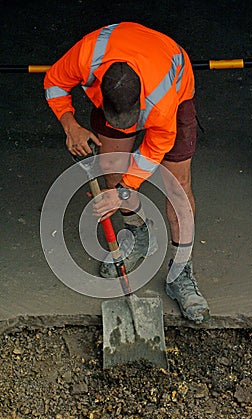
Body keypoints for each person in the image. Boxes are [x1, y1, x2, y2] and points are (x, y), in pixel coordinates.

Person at [44, 22, 210, 324]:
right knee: (110, 169)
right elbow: (54, 82)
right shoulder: (86, 56)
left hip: (175, 83)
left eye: (130, 122)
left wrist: (123, 190)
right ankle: (139, 234)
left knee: (177, 186)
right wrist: (70, 125)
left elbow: (153, 153)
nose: (126, 130)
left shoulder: (161, 101)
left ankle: (180, 272)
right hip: (125, 69)